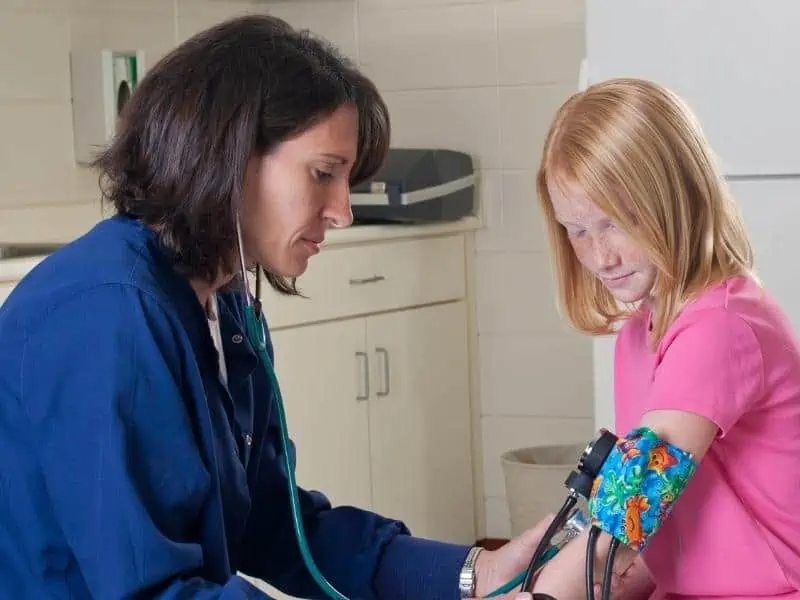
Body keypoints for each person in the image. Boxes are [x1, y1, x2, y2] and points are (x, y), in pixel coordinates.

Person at [0, 14, 549, 600]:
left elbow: (276, 525)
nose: (343, 211)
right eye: (323, 174)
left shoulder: (225, 309)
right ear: (226, 156)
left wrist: (477, 573)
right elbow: (154, 592)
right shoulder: (108, 317)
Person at [526, 77, 800, 600]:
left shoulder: (721, 326)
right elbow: (670, 514)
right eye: (577, 231)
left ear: (678, 199)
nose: (600, 256)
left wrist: (541, 594)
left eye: (615, 223)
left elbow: (641, 492)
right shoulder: (640, 336)